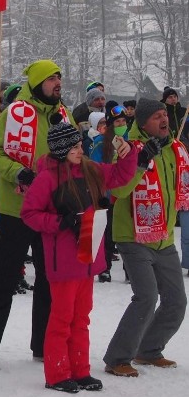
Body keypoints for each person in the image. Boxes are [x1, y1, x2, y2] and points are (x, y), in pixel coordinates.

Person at [21, 115, 137, 393]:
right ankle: (57, 374)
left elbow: (121, 175)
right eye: (73, 146)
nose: (80, 149)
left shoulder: (90, 169)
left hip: (87, 256)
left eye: (79, 144)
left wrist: (130, 153)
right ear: (61, 150)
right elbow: (29, 214)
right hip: (63, 260)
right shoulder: (47, 178)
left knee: (82, 317)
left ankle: (80, 370)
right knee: (61, 318)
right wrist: (60, 223)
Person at [0, 60, 73, 370]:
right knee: (5, 277)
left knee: (48, 278)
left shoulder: (63, 114)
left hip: (52, 209)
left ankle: (43, 344)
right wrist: (20, 173)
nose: (58, 82)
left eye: (60, 77)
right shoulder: (16, 113)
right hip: (17, 209)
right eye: (52, 77)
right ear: (39, 82)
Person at [103, 98, 189, 377]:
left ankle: (149, 350)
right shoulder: (128, 148)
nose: (164, 119)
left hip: (163, 238)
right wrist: (140, 161)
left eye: (165, 114)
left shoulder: (175, 149)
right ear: (142, 123)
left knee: (176, 300)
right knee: (146, 296)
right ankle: (118, 358)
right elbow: (119, 190)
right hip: (133, 237)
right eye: (156, 116)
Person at [90, 105, 130, 282]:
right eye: (117, 122)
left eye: (123, 121)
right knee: (107, 233)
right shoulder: (100, 142)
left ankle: (130, 270)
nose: (121, 124)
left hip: (128, 193)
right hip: (108, 195)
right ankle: (104, 268)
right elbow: (95, 169)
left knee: (128, 233)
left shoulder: (132, 140)